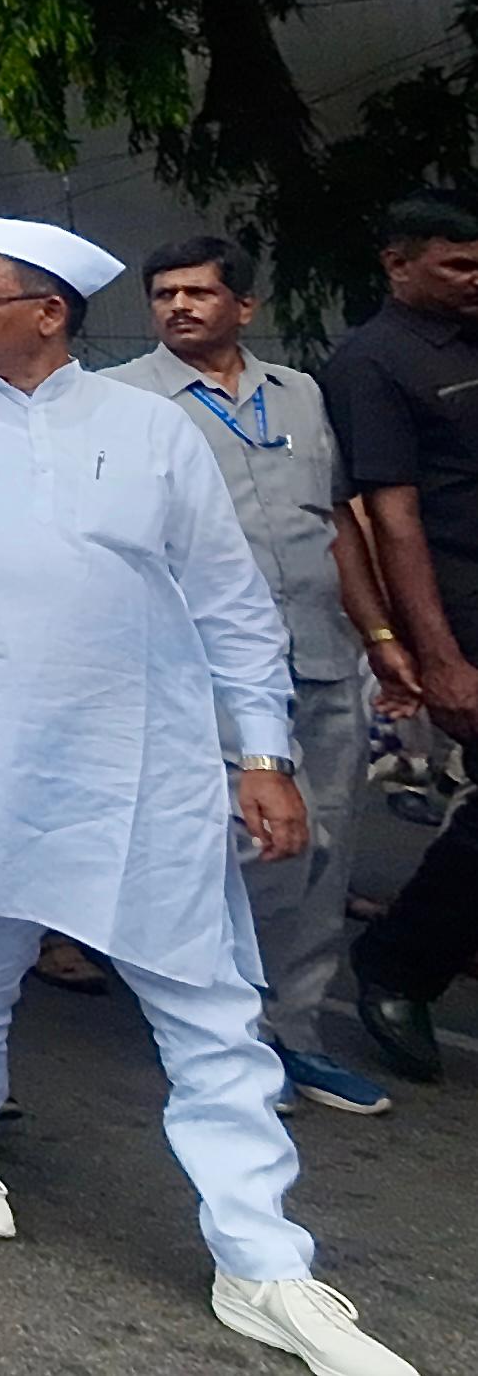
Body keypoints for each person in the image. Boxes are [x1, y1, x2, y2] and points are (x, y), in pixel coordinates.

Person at [0, 218, 417, 1376]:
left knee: (209, 1005)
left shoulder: (150, 431)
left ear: (48, 313)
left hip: (146, 763)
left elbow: (231, 608)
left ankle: (263, 1264)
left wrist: (264, 756)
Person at [115, 238, 404, 1119]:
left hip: (319, 652)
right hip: (203, 670)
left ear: (245, 305)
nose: (180, 308)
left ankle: (297, 1036)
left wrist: (381, 633)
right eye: (165, 294)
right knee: (245, 852)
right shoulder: (122, 401)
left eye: (200, 293)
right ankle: (223, 1034)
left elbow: (337, 523)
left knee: (326, 852)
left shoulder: (299, 394)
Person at [327, 195, 478, 1083]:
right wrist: (437, 657)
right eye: (457, 265)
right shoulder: (373, 362)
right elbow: (392, 518)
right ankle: (399, 962)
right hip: (460, 600)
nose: (474, 280)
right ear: (397, 265)